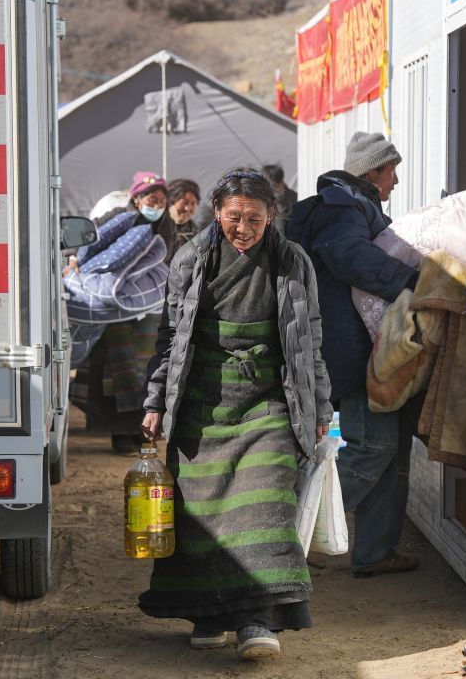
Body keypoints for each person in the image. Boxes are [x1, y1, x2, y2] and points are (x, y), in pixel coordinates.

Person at [140, 168, 332, 661]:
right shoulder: (190, 259)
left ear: (271, 218)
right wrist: (156, 401)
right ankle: (208, 614)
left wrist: (320, 409)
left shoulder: (292, 263)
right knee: (200, 514)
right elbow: (171, 339)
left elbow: (309, 341)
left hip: (268, 400)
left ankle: (257, 619)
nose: (243, 228)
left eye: (254, 218)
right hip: (202, 403)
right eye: (233, 217)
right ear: (217, 214)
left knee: (266, 499)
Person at [286, 131, 422, 578]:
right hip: (351, 349)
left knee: (390, 447)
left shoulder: (353, 204)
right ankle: (296, 539)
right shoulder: (342, 206)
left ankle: (374, 552)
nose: (396, 180)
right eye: (392, 170)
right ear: (373, 170)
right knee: (373, 447)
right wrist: (412, 282)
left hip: (362, 345)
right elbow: (346, 255)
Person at [83, 172, 170, 453]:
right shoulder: (118, 218)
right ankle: (119, 433)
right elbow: (91, 243)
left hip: (148, 306)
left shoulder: (165, 226)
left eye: (160, 200)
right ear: (137, 199)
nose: (156, 205)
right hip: (116, 308)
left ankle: (139, 431)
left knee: (146, 370)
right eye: (150, 199)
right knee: (120, 370)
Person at [161, 178, 201, 258]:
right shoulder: (156, 228)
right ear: (170, 201)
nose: (187, 208)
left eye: (193, 204)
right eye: (184, 203)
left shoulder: (198, 235)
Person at [262, 164, 296, 233]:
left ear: (281, 182)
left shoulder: (294, 198)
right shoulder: (260, 199)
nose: (271, 190)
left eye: (274, 186)